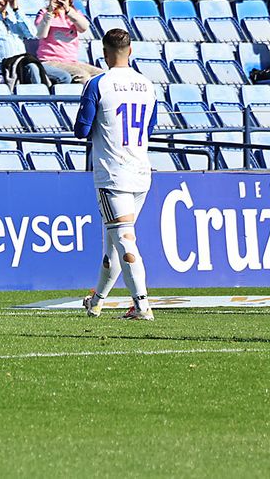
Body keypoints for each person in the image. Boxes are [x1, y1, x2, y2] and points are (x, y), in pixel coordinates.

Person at [74, 30, 157, 321]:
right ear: (130, 50)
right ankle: (96, 301)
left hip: (113, 174)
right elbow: (149, 128)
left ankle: (142, 304)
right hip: (141, 172)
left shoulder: (98, 84)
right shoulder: (148, 86)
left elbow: (81, 130)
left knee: (124, 240)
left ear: (105, 54)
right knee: (115, 242)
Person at [34, 0, 101, 82]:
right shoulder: (44, 13)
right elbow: (41, 34)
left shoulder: (75, 14)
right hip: (50, 60)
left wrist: (68, 11)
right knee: (82, 75)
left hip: (71, 61)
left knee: (101, 75)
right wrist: (49, 13)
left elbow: (83, 27)